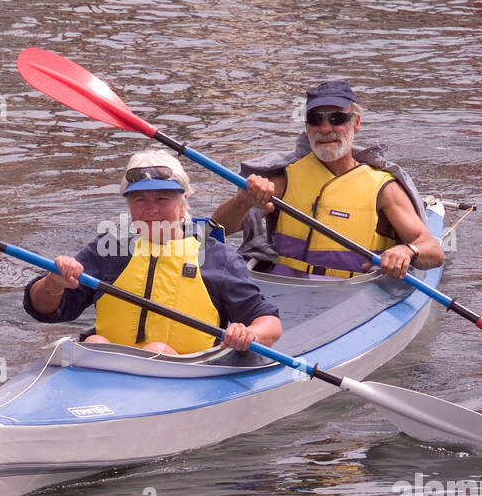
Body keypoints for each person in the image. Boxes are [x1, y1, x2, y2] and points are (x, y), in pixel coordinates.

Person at [25, 150, 281, 355]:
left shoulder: (218, 258)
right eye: (140, 200)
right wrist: (52, 284)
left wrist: (249, 334)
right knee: (95, 341)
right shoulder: (108, 250)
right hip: (104, 369)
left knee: (157, 350)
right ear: (129, 207)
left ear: (183, 206)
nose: (151, 210)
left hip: (181, 373)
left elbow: (269, 322)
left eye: (162, 199)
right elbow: (44, 310)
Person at [210, 79, 442, 280]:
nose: (324, 128)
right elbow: (216, 229)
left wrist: (408, 250)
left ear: (356, 123)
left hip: (353, 291)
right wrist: (245, 199)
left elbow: (433, 250)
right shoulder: (284, 178)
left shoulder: (383, 187)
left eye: (337, 118)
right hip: (284, 287)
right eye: (315, 119)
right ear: (307, 126)